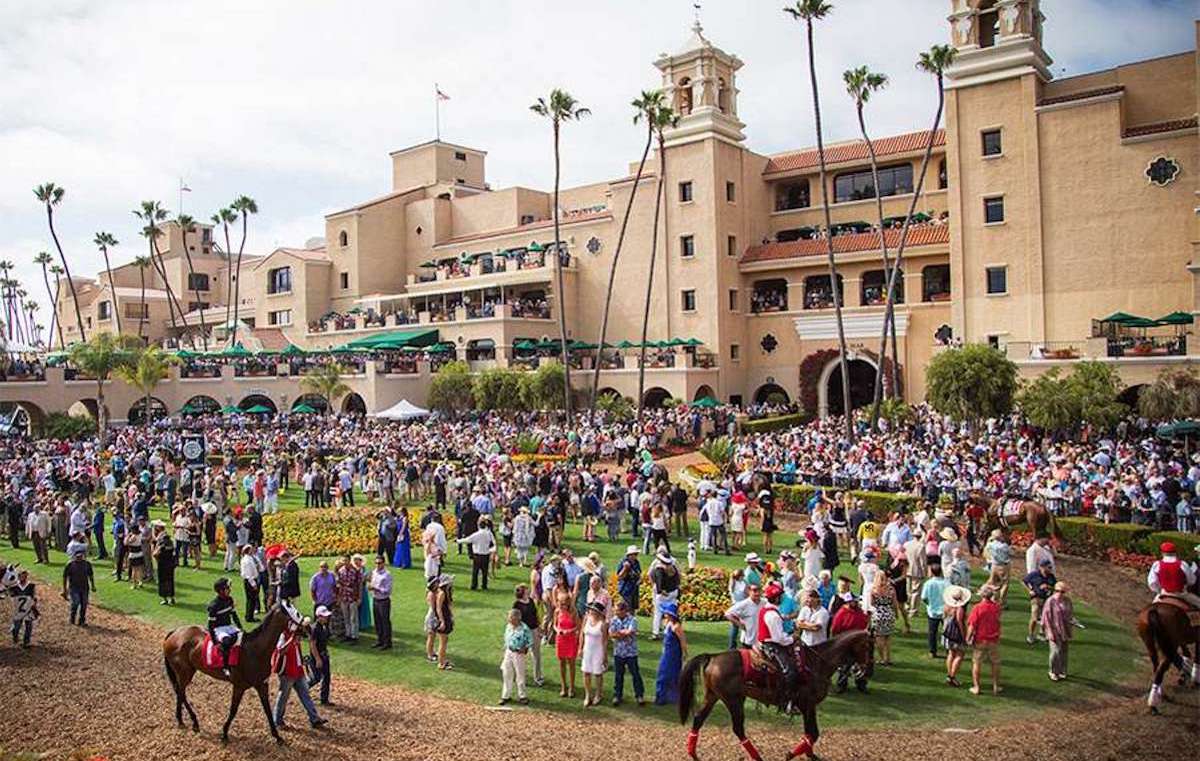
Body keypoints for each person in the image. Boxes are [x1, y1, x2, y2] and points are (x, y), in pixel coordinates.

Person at [272, 616, 327, 729]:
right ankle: (277, 721)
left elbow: (296, 651)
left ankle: (314, 719)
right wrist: (291, 640)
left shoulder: (296, 636)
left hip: (298, 670)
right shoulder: (284, 635)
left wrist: (302, 660)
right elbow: (280, 651)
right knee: (283, 697)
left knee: (305, 694)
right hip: (287, 672)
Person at [756, 582, 800, 712]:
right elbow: (779, 639)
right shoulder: (773, 615)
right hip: (772, 646)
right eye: (780, 596)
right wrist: (794, 638)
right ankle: (787, 703)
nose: (782, 598)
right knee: (790, 672)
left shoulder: (767, 609)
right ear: (776, 598)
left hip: (766, 642)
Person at [830, 594, 870, 693]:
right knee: (845, 665)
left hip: (858, 643)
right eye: (853, 601)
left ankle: (861, 684)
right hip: (845, 642)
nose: (855, 603)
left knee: (861, 664)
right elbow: (835, 629)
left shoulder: (859, 612)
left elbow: (864, 623)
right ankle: (842, 685)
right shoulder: (841, 613)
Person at [966, 585, 1002, 695]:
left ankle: (977, 687)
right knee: (995, 663)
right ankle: (996, 686)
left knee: (977, 663)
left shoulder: (977, 608)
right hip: (993, 639)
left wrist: (968, 637)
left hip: (980, 640)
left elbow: (972, 625)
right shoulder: (996, 607)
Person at [609, 598, 644, 706]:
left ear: (624, 611)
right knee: (618, 675)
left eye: (617, 610)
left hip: (630, 653)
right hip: (618, 652)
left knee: (635, 674)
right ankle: (617, 695)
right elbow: (611, 634)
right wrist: (623, 634)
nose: (615, 612)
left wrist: (619, 633)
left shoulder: (633, 620)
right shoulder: (613, 620)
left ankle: (639, 695)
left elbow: (630, 632)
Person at [1147, 541, 1200, 608]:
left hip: (1164, 593)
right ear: (1175, 552)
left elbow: (1152, 582)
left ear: (1162, 553)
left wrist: (1159, 590)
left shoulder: (1156, 565)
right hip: (1182, 594)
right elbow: (1192, 581)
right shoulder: (1183, 564)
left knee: (1151, 609)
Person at [207, 578, 243, 675]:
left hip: (229, 626)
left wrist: (240, 627)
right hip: (219, 629)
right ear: (221, 591)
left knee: (245, 637)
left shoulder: (230, 600)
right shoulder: (213, 606)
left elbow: (234, 615)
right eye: (227, 588)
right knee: (227, 642)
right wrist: (215, 641)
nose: (230, 590)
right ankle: (225, 666)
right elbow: (210, 625)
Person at [654, 601, 687, 705]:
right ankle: (663, 696)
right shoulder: (667, 624)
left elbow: (683, 641)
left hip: (674, 654)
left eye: (666, 613)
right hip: (667, 652)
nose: (664, 614)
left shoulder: (676, 627)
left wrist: (685, 654)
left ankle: (667, 697)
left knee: (668, 674)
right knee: (664, 673)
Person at [1041, 581, 1075, 681]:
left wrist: (1072, 621)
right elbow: (1045, 618)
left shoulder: (1067, 601)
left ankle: (1062, 671)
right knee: (1055, 652)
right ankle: (1053, 671)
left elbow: (1070, 613)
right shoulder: (1050, 601)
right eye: (1057, 591)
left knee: (1064, 651)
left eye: (1062, 591)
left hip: (1064, 629)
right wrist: (1049, 632)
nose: (1059, 593)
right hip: (1053, 630)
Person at [499, 607, 532, 705]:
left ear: (518, 618)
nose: (509, 620)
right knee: (506, 672)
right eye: (509, 618)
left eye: (511, 618)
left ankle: (522, 695)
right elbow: (506, 637)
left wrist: (525, 648)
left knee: (520, 674)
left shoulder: (524, 629)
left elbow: (530, 641)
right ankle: (505, 695)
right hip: (509, 652)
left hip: (518, 654)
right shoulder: (508, 626)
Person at [513, 584, 543, 686]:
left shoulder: (530, 601)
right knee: (520, 655)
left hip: (533, 630)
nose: (528, 590)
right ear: (522, 592)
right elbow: (514, 619)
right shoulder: (517, 604)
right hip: (523, 632)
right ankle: (519, 676)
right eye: (526, 589)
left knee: (536, 655)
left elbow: (535, 614)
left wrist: (539, 627)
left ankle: (537, 677)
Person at [580, 601, 608, 707]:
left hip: (598, 651)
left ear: (599, 612)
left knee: (598, 674)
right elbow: (582, 635)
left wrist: (604, 656)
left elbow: (605, 641)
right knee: (586, 672)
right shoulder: (586, 619)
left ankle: (598, 694)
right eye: (590, 609)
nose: (591, 611)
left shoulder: (603, 624)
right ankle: (588, 695)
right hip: (587, 650)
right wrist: (580, 648)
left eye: (594, 610)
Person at [941, 584, 970, 687]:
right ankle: (952, 676)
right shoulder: (960, 608)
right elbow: (960, 622)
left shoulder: (946, 606)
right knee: (960, 654)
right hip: (956, 634)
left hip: (947, 633)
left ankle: (949, 674)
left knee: (951, 653)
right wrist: (964, 636)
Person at [1023, 559, 1057, 645]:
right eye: (1048, 567)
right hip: (1036, 598)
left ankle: (1041, 634)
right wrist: (1030, 590)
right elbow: (1024, 581)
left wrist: (1048, 587)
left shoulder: (1051, 577)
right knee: (1034, 617)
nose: (1050, 569)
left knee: (1045, 618)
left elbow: (1055, 588)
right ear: (1042, 567)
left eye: (1050, 567)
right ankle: (1030, 635)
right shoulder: (1034, 575)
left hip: (1047, 599)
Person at [649, 549, 680, 640]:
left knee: (658, 613)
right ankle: (669, 631)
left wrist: (661, 592)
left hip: (664, 594)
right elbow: (678, 581)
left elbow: (659, 586)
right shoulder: (673, 567)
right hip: (673, 593)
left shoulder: (659, 570)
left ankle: (656, 632)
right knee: (671, 613)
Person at [61, 549, 96, 627]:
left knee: (84, 604)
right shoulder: (70, 565)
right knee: (75, 603)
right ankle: (72, 618)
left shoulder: (87, 564)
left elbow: (90, 575)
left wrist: (93, 585)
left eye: (81, 556)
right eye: (78, 556)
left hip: (84, 588)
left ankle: (82, 620)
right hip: (74, 588)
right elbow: (65, 577)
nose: (79, 557)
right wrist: (65, 589)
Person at [554, 591, 579, 698]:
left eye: (564, 603)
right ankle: (563, 686)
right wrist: (558, 630)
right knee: (561, 664)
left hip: (571, 639)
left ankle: (572, 687)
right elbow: (554, 625)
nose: (562, 605)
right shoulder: (557, 612)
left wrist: (570, 631)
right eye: (560, 602)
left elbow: (578, 626)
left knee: (571, 664)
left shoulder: (573, 612)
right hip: (560, 639)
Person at [869, 570, 896, 666]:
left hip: (878, 615)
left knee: (879, 638)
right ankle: (888, 658)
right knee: (888, 638)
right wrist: (896, 613)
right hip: (889, 614)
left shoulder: (874, 590)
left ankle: (882, 658)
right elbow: (894, 603)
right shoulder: (891, 589)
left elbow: (871, 603)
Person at [921, 565, 948, 658]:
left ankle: (932, 651)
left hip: (932, 611)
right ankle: (948, 649)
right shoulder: (947, 583)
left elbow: (924, 597)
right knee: (947, 631)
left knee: (932, 632)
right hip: (945, 611)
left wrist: (929, 604)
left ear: (932, 572)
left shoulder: (928, 583)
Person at [724, 583, 762, 648]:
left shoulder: (764, 602)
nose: (757, 593)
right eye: (754, 590)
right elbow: (727, 614)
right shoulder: (744, 604)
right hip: (748, 640)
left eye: (759, 590)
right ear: (749, 591)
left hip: (761, 640)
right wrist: (739, 624)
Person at [310, 606, 334, 704]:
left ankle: (324, 699)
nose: (326, 618)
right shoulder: (315, 628)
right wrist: (317, 659)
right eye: (324, 616)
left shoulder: (324, 626)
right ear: (319, 616)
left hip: (324, 655)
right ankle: (303, 688)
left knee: (327, 677)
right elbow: (312, 645)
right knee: (316, 677)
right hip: (318, 656)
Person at [983, 530, 1012, 608]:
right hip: (1003, 566)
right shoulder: (1004, 546)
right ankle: (1001, 602)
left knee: (993, 583)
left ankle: (993, 599)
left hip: (994, 565)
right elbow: (1010, 553)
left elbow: (985, 552)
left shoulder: (990, 545)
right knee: (1004, 584)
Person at [369, 555, 392, 649]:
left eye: (379, 563)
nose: (377, 565)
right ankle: (380, 640)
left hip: (384, 600)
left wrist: (375, 588)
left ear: (383, 563)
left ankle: (387, 642)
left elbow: (388, 590)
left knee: (385, 621)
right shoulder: (374, 572)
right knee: (377, 621)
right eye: (376, 563)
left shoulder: (387, 575)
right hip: (375, 599)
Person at [9, 567, 36, 647]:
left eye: (24, 576)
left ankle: (26, 642)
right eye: (21, 576)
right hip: (19, 609)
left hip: (28, 608)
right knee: (16, 627)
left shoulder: (31, 585)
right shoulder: (14, 586)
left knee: (29, 626)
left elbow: (33, 596)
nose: (23, 578)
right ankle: (15, 635)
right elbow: (12, 597)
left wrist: (34, 604)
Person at [616, 545, 642, 614]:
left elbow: (639, 573)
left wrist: (639, 579)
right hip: (626, 589)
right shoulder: (623, 562)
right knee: (626, 609)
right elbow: (619, 577)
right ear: (630, 555)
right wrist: (625, 568)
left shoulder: (636, 562)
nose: (636, 556)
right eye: (635, 554)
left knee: (633, 609)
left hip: (634, 588)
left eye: (637, 554)